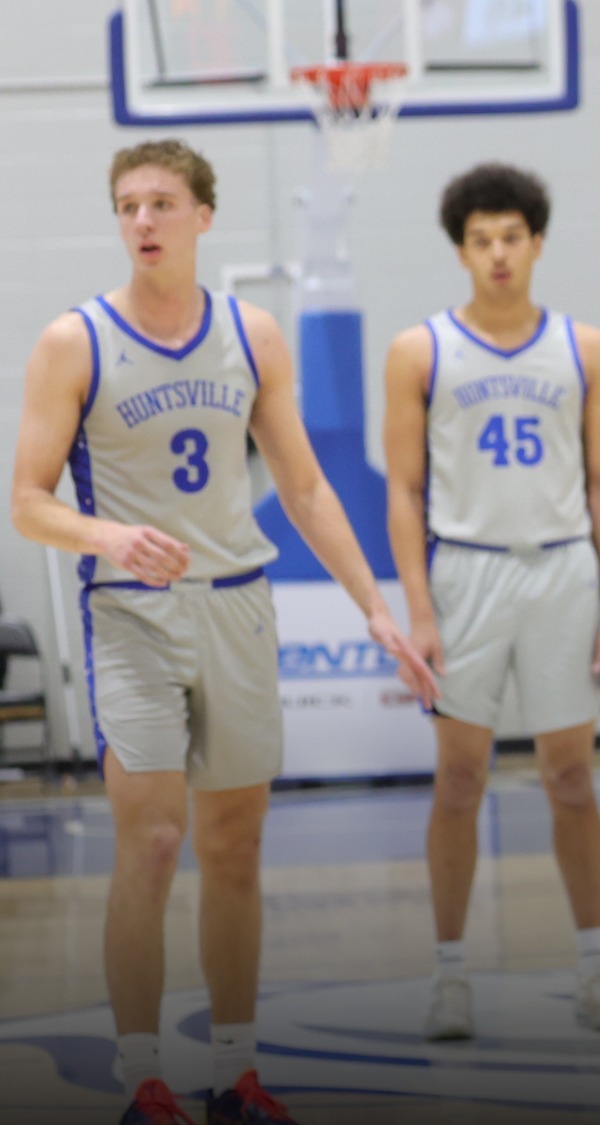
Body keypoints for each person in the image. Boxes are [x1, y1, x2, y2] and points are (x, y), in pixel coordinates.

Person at [9, 139, 436, 1125]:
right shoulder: (73, 342)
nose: (143, 221)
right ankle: (141, 1076)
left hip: (239, 604)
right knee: (152, 843)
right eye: (127, 205)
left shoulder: (254, 334)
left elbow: (307, 487)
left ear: (205, 217)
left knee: (236, 849)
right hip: (129, 614)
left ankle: (238, 1073)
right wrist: (109, 532)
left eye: (162, 202)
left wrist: (375, 605)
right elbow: (28, 503)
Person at [382, 163, 600, 1041]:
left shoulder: (585, 347)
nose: (498, 253)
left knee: (572, 777)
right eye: (481, 239)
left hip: (563, 570)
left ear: (537, 242)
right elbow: (403, 492)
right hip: (465, 572)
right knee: (458, 778)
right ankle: (449, 975)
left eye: (512, 237)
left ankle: (598, 967)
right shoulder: (419, 350)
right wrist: (418, 606)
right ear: (462, 249)